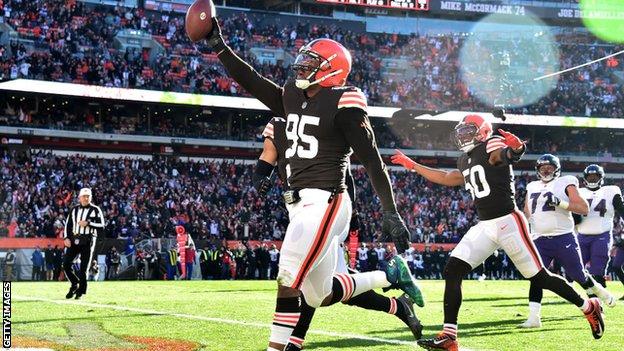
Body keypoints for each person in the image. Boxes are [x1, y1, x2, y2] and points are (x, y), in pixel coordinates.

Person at [206, 18, 421, 350]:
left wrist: (391, 213)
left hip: (327, 200)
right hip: (298, 203)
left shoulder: (345, 103)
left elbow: (372, 161)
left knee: (289, 274)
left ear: (332, 71)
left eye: (311, 63)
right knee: (318, 294)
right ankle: (389, 279)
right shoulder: (293, 93)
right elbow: (254, 82)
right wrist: (220, 47)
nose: (302, 67)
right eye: (303, 60)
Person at [391, 114, 606, 350]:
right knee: (453, 269)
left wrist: (516, 149)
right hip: (485, 225)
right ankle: (450, 336)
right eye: (461, 132)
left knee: (539, 277)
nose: (463, 136)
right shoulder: (465, 159)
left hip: (508, 222)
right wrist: (412, 165)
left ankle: (588, 307)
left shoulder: (491, 144)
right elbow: (447, 177)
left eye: (468, 131)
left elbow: (501, 156)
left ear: (482, 131)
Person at [519, 156, 616, 328]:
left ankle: (603, 293)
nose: (546, 171)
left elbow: (584, 208)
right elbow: (527, 211)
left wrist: (561, 203)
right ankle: (534, 318)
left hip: (563, 237)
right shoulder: (531, 186)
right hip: (540, 239)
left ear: (556, 169)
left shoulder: (566, 181)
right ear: (537, 170)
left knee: (579, 275)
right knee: (536, 276)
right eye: (543, 168)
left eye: (549, 167)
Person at [577, 165, 624, 292]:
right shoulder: (579, 192)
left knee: (598, 268)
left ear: (601, 178)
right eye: (590, 176)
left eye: (595, 176)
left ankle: (600, 294)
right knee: (576, 267)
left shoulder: (611, 191)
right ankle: (586, 291)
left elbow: (621, 209)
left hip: (601, 234)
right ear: (585, 178)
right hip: (581, 235)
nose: (592, 179)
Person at [63, 188, 105, 299]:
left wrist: (88, 223)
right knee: (66, 264)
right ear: (79, 197)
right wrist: (66, 237)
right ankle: (74, 283)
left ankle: (80, 292)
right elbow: (68, 224)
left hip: (88, 240)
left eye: (88, 196)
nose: (86, 198)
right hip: (74, 239)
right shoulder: (74, 209)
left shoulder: (96, 210)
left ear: (91, 197)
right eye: (84, 196)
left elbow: (102, 225)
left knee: (83, 268)